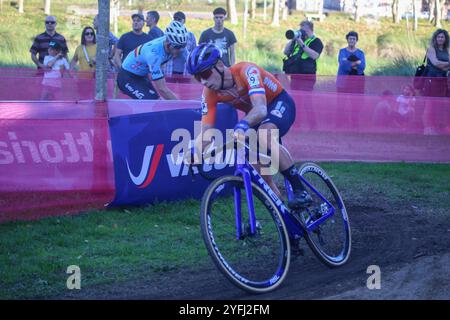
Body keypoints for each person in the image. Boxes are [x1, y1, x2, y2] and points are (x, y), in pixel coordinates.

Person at [187, 43, 313, 209]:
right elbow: (206, 132)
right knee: (255, 165)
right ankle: (282, 214)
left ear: (219, 65)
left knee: (264, 134)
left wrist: (243, 124)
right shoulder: (209, 93)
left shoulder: (246, 70)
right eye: (198, 77)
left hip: (277, 103)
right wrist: (196, 152)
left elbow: (260, 109)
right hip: (256, 117)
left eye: (205, 73)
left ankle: (300, 189)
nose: (204, 81)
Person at [117, 21, 188, 100]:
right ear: (167, 42)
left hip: (141, 75)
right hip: (127, 77)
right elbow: (162, 89)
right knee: (152, 102)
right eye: (177, 47)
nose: (180, 50)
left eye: (183, 46)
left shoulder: (175, 43)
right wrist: (181, 106)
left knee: (157, 101)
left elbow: (190, 62)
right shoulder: (154, 55)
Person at [283, 20, 323, 130]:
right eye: (300, 29)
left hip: (307, 77)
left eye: (303, 30)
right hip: (295, 76)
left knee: (307, 101)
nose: (301, 32)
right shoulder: (297, 41)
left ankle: (312, 125)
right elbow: (286, 52)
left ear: (310, 29)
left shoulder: (316, 41)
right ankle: (297, 124)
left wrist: (302, 43)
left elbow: (314, 55)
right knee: (296, 101)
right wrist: (293, 40)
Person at [422, 29, 450, 135]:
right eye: (439, 37)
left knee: (437, 105)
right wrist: (447, 64)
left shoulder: (446, 50)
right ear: (435, 38)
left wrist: (445, 67)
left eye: (442, 37)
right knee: (429, 104)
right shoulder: (431, 49)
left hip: (442, 80)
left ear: (445, 39)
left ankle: (434, 127)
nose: (440, 39)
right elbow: (435, 63)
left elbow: (444, 67)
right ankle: (427, 128)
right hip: (431, 79)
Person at [163, 11, 197, 76]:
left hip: (185, 71)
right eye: (175, 19)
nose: (177, 21)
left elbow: (193, 54)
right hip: (169, 69)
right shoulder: (167, 34)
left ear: (184, 21)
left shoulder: (190, 36)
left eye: (179, 19)